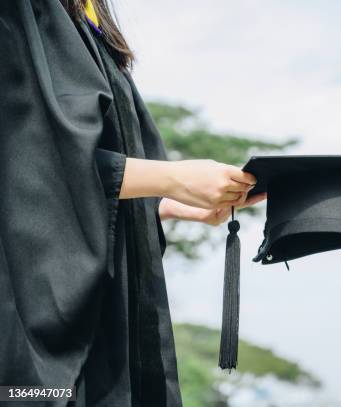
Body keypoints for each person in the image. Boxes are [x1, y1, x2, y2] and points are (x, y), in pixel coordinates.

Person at [0, 0, 266, 405]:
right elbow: (30, 160)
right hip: (38, 337)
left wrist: (164, 204)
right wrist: (174, 179)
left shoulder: (88, 19)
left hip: (117, 319)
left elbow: (91, 176)